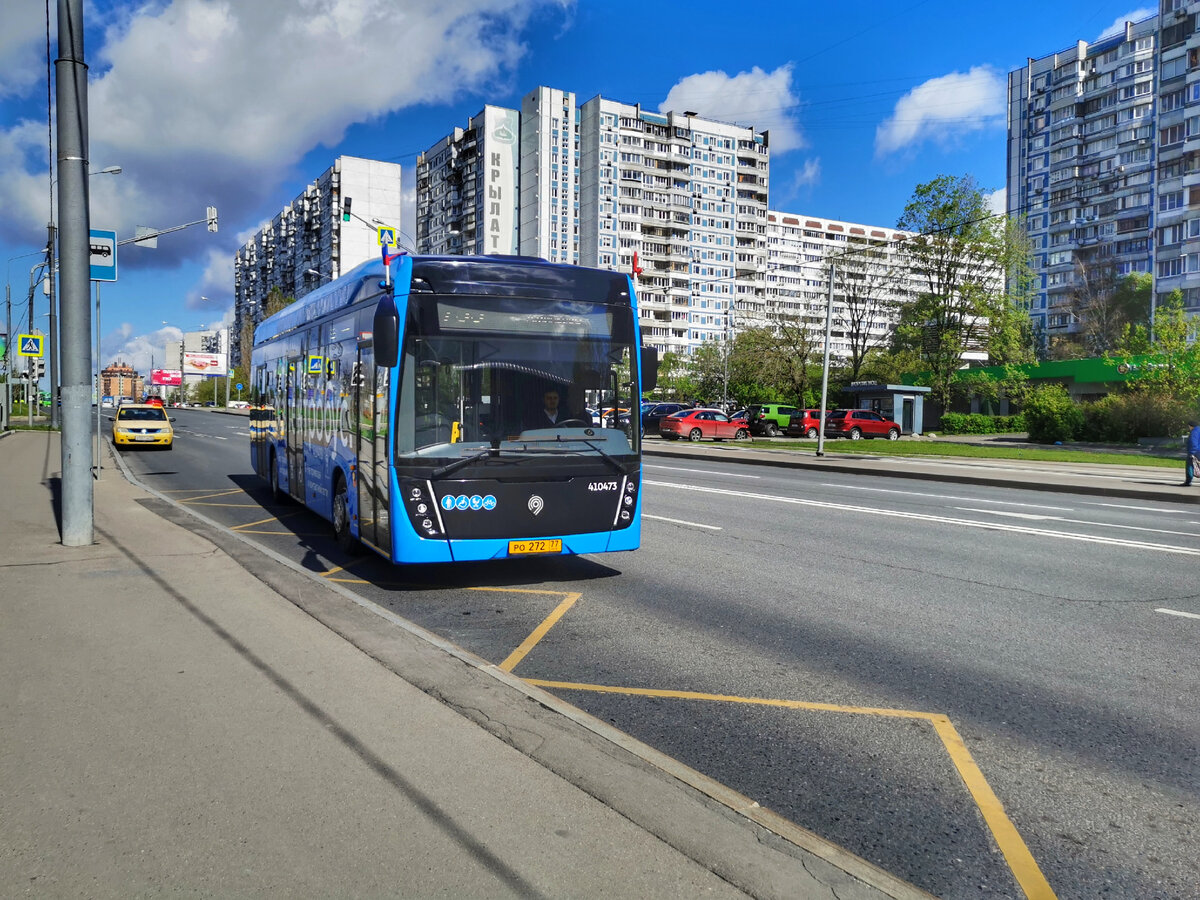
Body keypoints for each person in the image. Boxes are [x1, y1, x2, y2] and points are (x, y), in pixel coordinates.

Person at [1184, 419, 1200, 486]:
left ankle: (1188, 481)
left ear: (1191, 426)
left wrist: (1192, 453)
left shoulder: (1194, 432)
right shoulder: (1199, 430)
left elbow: (1193, 442)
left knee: (1190, 466)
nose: (1189, 428)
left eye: (1189, 426)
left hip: (1194, 451)